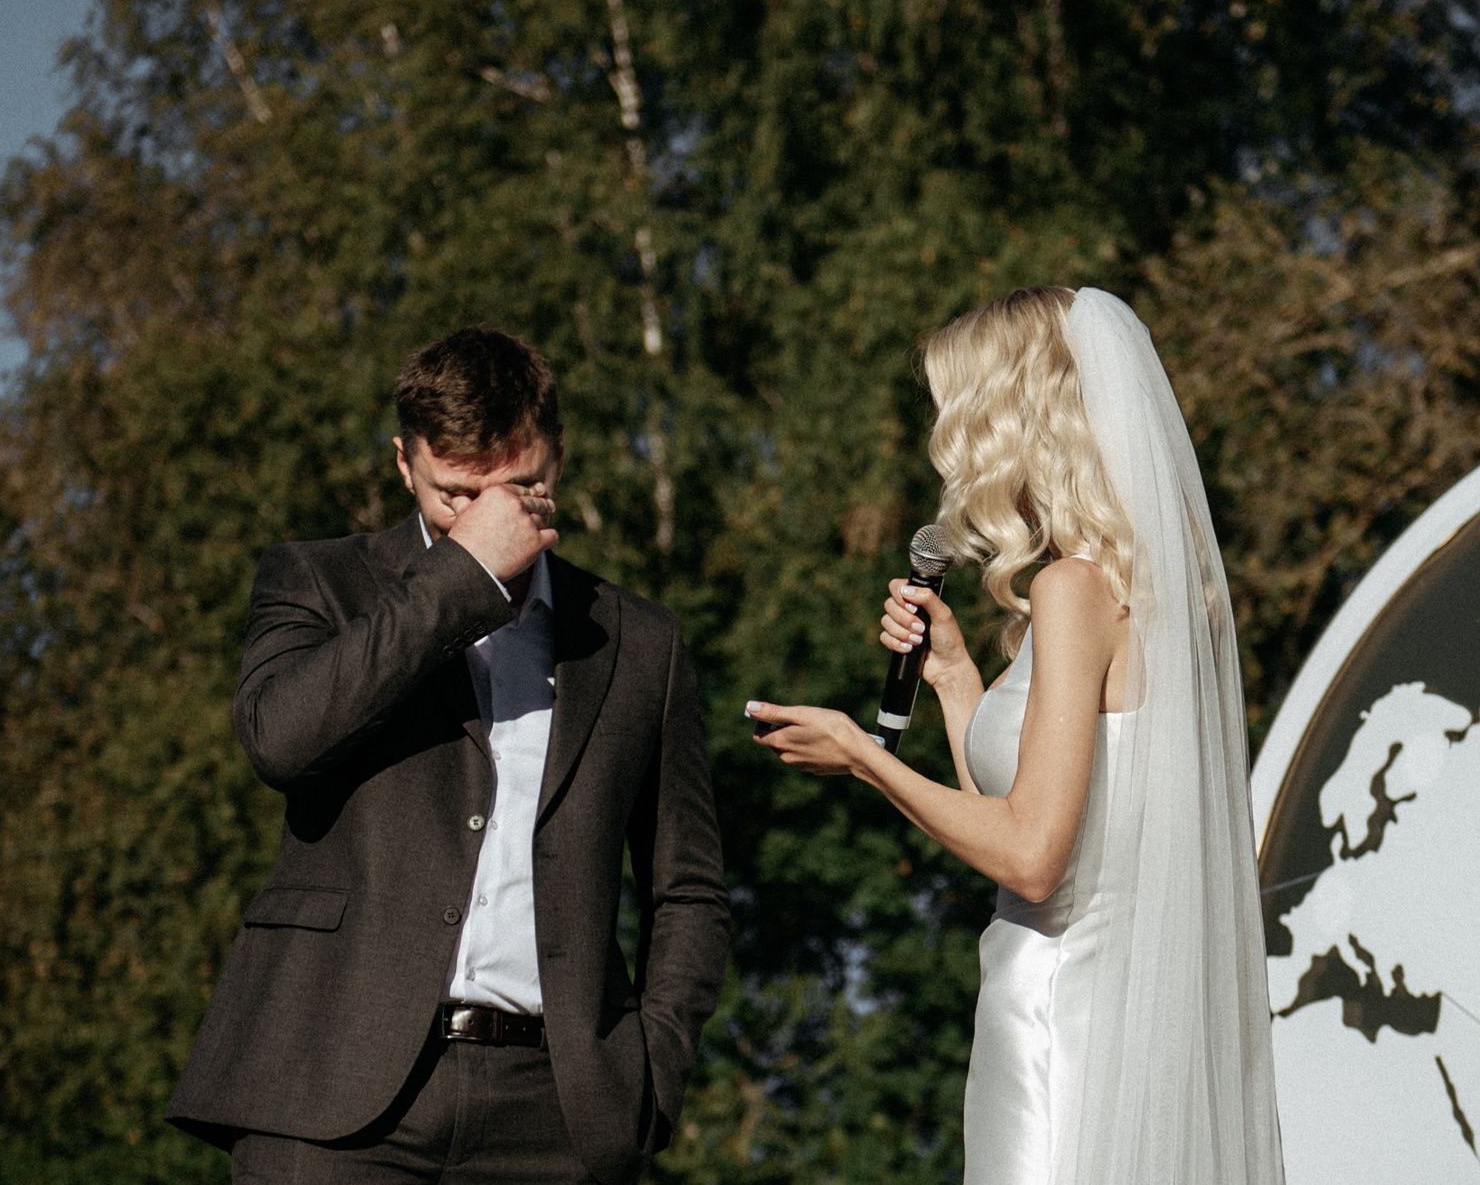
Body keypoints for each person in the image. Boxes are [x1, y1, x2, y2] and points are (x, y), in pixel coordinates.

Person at [747, 286, 1284, 1185]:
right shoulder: (1141, 592)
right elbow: (1019, 813)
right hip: (1107, 1015)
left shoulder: (1072, 591)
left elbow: (1032, 859)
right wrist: (956, 676)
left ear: (1011, 422)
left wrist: (863, 755)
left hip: (1057, 1019)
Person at [167, 326, 729, 1184]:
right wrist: (463, 577)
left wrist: (650, 1069)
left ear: (561, 456)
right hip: (329, 1094)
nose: (494, 514)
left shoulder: (637, 641)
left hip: (554, 1111)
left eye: (523, 486)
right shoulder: (319, 582)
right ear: (403, 465)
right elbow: (279, 739)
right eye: (458, 494)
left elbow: (685, 885)